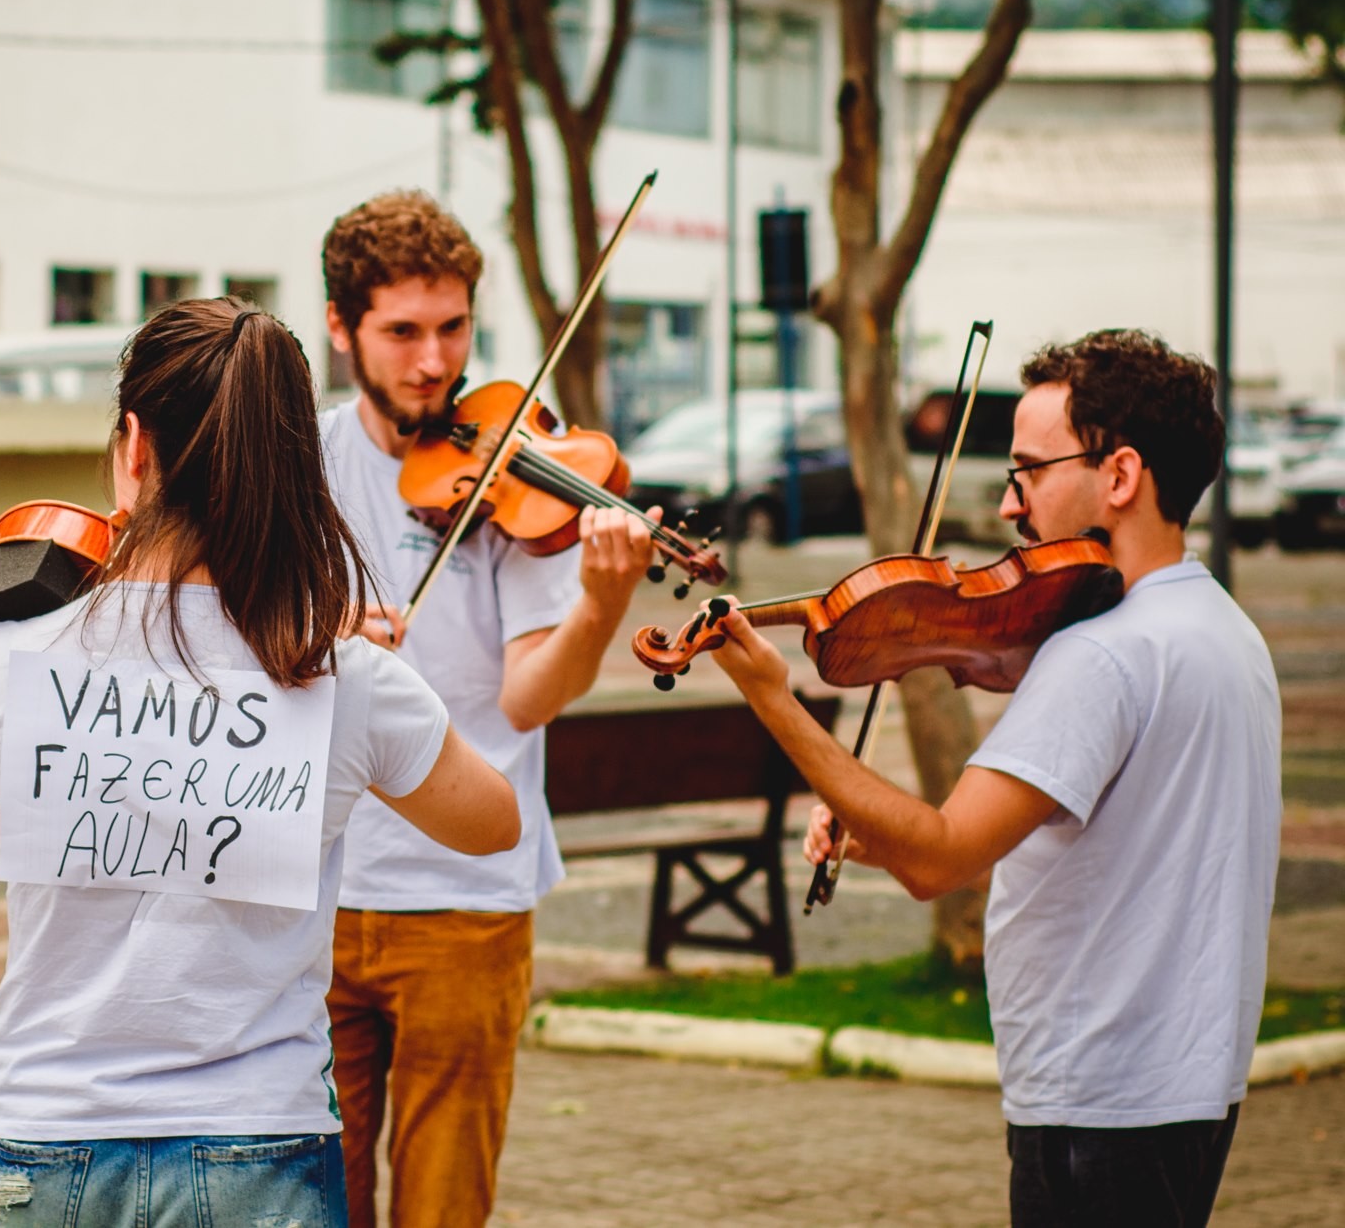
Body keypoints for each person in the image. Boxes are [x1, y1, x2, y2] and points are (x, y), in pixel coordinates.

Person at [0, 297, 520, 1227]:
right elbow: (494, 822)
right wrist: (371, 696)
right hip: (262, 1138)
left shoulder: (3, 656)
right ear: (293, 464)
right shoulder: (342, 674)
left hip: (45, 1133)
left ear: (134, 445)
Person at [697, 330, 1280, 1227]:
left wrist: (774, 697)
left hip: (1098, 1095)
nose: (1012, 505)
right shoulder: (1222, 628)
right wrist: (874, 819)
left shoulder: (1100, 654)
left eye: (1029, 470)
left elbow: (940, 859)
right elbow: (1084, 825)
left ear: (1118, 475)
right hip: (1189, 1083)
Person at [315, 190, 659, 1228]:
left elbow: (526, 696)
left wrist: (599, 606)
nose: (433, 362)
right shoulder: (297, 463)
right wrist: (318, 636)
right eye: (402, 332)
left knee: (443, 1208)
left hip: (466, 898)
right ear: (341, 329)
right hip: (311, 890)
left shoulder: (518, 471)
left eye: (453, 328)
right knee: (307, 1204)